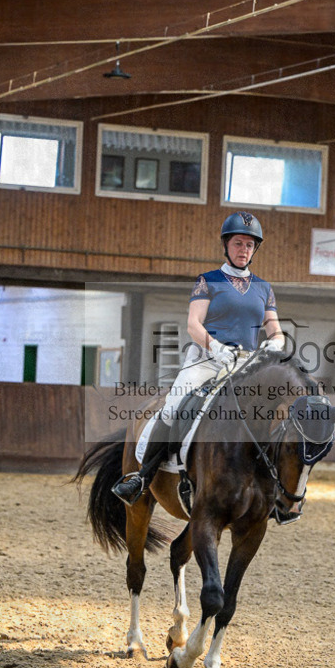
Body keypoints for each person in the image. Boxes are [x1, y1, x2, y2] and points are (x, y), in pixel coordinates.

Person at [113, 211, 285, 504]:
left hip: (246, 364)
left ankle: (276, 490)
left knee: (273, 411)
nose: (243, 250)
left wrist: (276, 344)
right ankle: (143, 477)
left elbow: (274, 328)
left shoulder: (264, 288)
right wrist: (216, 347)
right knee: (174, 406)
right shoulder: (208, 281)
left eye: (249, 245)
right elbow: (194, 324)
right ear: (226, 245)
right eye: (238, 243)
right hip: (207, 359)